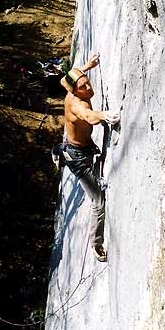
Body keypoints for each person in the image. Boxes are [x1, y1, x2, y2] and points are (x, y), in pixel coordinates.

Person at [60, 54, 120, 262]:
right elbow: (89, 117)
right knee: (98, 201)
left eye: (87, 83)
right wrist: (103, 115)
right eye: (83, 87)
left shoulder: (71, 84)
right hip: (77, 159)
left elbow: (70, 76)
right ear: (75, 91)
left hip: (79, 148)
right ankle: (96, 244)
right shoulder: (78, 105)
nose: (88, 88)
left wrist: (88, 66)